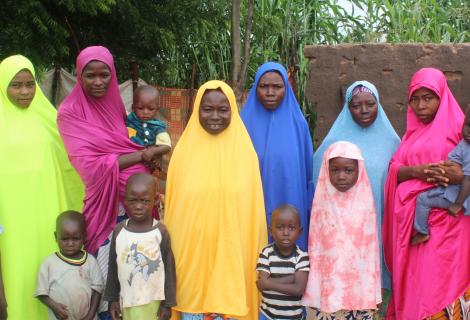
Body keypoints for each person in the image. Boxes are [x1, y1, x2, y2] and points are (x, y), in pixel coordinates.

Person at [57, 46, 153, 317]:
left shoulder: (114, 106)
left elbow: (124, 146)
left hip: (135, 206)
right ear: (79, 75)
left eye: (104, 75)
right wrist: (142, 155)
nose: (98, 82)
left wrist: (145, 158)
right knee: (104, 286)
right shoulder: (70, 112)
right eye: (91, 76)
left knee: (134, 281)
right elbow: (91, 169)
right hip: (105, 209)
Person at [164, 80, 267, 320]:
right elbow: (175, 212)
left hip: (232, 259)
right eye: (207, 109)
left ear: (233, 110)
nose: (215, 116)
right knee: (191, 305)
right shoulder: (183, 154)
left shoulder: (245, 154)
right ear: (196, 109)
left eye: (223, 109)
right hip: (190, 260)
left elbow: (252, 216)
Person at [0, 55, 84, 319]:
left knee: (48, 276)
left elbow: (71, 162)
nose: (25, 92)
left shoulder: (49, 118)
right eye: (16, 85)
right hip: (10, 223)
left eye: (30, 84)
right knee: (17, 277)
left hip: (48, 213)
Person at [383, 67, 470, 319]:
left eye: (428, 97)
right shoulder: (411, 135)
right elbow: (394, 171)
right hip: (414, 228)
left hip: (449, 228)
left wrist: (457, 176)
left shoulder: (460, 130)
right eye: (415, 98)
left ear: (442, 97)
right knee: (417, 286)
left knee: (441, 288)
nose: (420, 105)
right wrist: (417, 171)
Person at [312, 81, 400, 298]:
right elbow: (319, 183)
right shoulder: (333, 141)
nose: (364, 111)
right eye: (356, 105)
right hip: (342, 229)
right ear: (346, 108)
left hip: (379, 222)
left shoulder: (392, 142)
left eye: (370, 104)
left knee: (375, 279)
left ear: (378, 104)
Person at [302, 141, 381, 319]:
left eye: (348, 170)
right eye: (335, 170)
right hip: (327, 289)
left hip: (359, 289)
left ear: (359, 170)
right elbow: (316, 249)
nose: (341, 176)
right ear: (326, 169)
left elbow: (370, 254)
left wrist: (373, 289)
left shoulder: (365, 204)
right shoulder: (321, 203)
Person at [241, 62, 314, 251]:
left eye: (277, 87)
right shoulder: (242, 125)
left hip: (290, 196)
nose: (270, 92)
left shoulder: (298, 124)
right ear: (255, 88)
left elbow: (307, 169)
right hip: (252, 199)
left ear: (287, 89)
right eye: (264, 86)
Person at [104, 173, 176, 320]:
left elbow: (169, 269)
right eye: (133, 201)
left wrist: (167, 304)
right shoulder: (119, 231)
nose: (138, 206)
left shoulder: (160, 232)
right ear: (125, 199)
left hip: (153, 305)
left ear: (155, 200)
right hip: (127, 303)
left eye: (144, 201)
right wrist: (112, 300)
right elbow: (113, 267)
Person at [412, 106, 470, 245]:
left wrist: (456, 205)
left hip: (458, 196)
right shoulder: (465, 143)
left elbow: (468, 179)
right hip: (454, 189)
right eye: (468, 125)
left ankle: (422, 232)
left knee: (422, 199)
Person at [36, 211, 103, 320]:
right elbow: (41, 293)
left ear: (84, 236)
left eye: (76, 238)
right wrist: (54, 307)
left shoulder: (90, 261)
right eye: (65, 239)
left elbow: (97, 290)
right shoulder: (49, 263)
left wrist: (90, 315)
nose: (70, 244)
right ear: (56, 236)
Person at [256, 204, 309, 320]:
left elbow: (299, 290)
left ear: (300, 232)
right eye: (280, 227)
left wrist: (269, 283)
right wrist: (292, 278)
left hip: (294, 316)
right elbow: (261, 285)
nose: (286, 232)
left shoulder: (302, 256)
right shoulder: (266, 253)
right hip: (267, 315)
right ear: (270, 231)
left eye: (291, 228)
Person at [126, 85, 171, 173]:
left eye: (151, 109)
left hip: (145, 162)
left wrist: (152, 151)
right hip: (127, 160)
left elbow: (167, 146)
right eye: (140, 108)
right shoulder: (129, 120)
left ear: (157, 110)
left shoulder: (158, 127)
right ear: (133, 108)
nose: (145, 112)